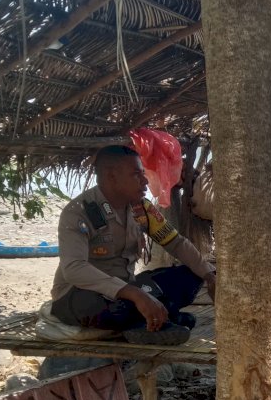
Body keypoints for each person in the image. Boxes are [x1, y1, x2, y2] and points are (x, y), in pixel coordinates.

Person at [49, 145, 216, 345]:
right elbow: (74, 269)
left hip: (127, 289)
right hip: (79, 295)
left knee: (189, 277)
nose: (145, 181)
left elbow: (176, 243)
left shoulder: (142, 209)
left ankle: (149, 320)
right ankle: (153, 321)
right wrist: (135, 293)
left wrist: (209, 275)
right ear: (111, 176)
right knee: (110, 307)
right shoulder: (79, 212)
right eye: (137, 175)